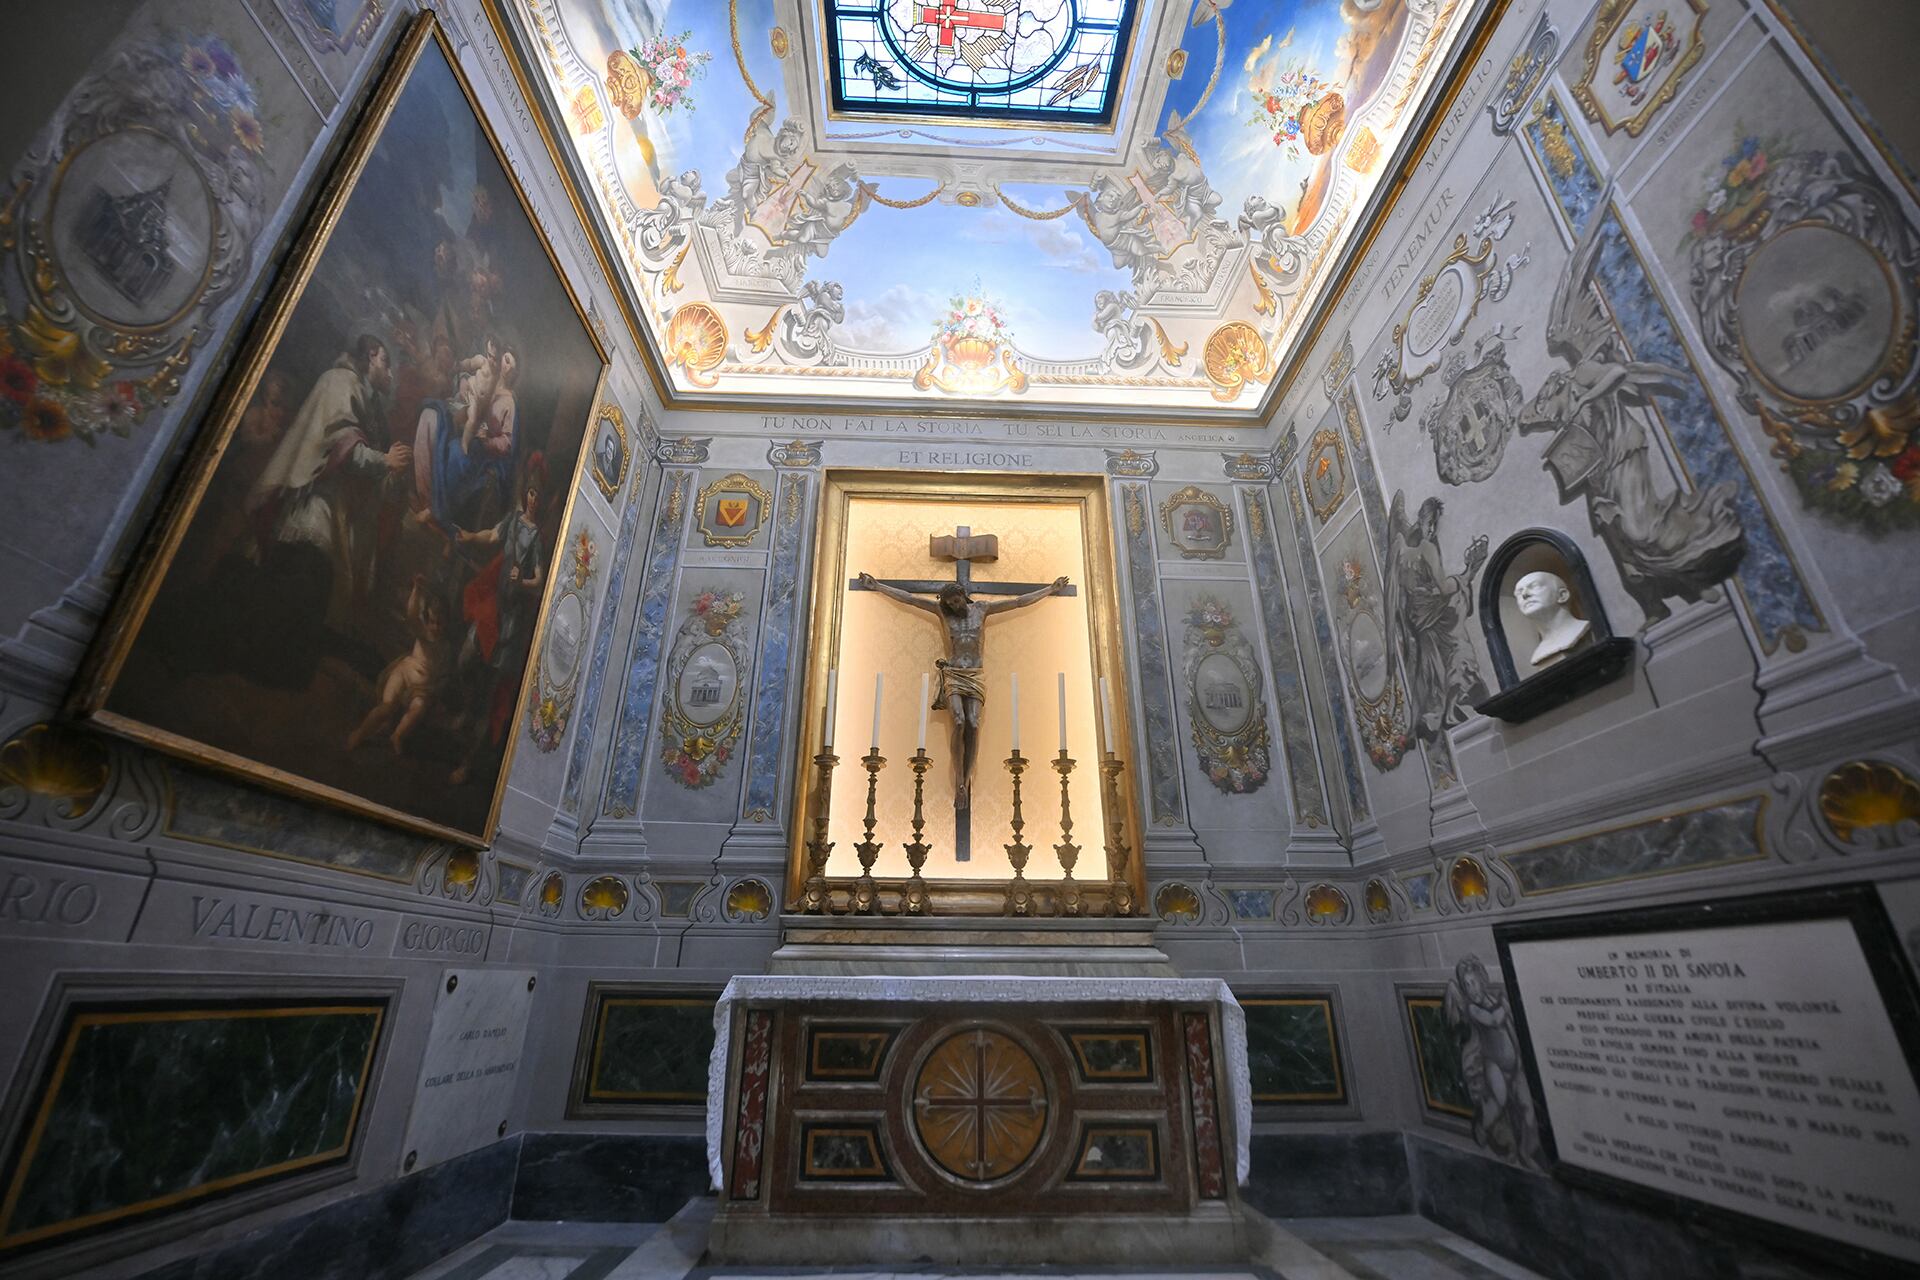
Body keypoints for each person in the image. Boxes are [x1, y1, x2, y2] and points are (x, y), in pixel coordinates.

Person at [242, 334, 410, 683]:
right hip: (317, 498)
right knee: (306, 574)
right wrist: (385, 460)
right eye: (386, 363)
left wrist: (390, 470)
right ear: (370, 355)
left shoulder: (369, 403)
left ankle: (280, 664)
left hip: (339, 506)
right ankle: (266, 660)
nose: (390, 373)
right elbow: (342, 448)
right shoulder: (341, 382)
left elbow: (372, 465)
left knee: (317, 586)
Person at [855, 572, 1070, 810]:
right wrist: (878, 586)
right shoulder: (942, 613)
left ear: (963, 595)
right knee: (959, 721)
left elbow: (1018, 602)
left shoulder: (982, 609)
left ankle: (966, 779)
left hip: (975, 675)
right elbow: (910, 599)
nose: (954, 607)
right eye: (950, 604)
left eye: (956, 601)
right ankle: (958, 778)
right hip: (954, 674)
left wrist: (1050, 589)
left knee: (974, 723)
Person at [448, 456, 547, 785]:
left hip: (512, 623)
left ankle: (466, 762)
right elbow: (492, 535)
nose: (533, 500)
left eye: (538, 496)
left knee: (490, 696)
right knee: (465, 659)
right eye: (531, 493)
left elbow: (540, 581)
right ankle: (465, 708)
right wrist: (469, 536)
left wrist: (523, 581)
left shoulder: (537, 539)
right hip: (494, 608)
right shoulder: (514, 521)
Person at [345, 573, 451, 756]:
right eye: (432, 621)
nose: (435, 627)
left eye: (440, 623)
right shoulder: (423, 633)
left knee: (418, 708)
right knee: (386, 708)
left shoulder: (446, 648)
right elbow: (411, 615)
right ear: (427, 619)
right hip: (404, 673)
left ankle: (397, 736)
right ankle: (359, 733)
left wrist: (437, 690)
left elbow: (443, 674)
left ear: (447, 623)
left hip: (422, 689)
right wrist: (417, 590)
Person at [1512, 570, 1590, 667]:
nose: (1524, 594)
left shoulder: (1583, 628)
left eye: (1535, 586)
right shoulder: (1540, 651)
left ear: (1562, 595)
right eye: (1519, 593)